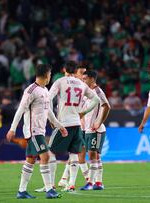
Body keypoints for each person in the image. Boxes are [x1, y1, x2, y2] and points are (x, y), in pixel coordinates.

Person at [35, 61, 99, 193]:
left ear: (64, 69)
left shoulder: (59, 82)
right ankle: (71, 185)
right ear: (76, 71)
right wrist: (84, 112)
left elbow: (48, 99)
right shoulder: (81, 83)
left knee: (50, 152)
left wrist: (51, 118)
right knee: (74, 153)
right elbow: (96, 99)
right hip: (77, 123)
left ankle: (50, 185)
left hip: (64, 123)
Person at [6, 64, 68, 199]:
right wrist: (12, 128)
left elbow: (49, 112)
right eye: (50, 74)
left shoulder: (45, 90)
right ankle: (49, 190)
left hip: (39, 130)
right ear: (46, 75)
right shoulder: (31, 90)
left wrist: (59, 126)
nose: (50, 76)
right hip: (33, 131)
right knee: (46, 157)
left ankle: (22, 191)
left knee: (30, 160)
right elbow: (20, 110)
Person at [81, 70, 111, 191]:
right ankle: (99, 182)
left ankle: (91, 183)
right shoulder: (86, 93)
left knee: (92, 154)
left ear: (92, 79)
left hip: (96, 129)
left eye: (85, 79)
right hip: (88, 129)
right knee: (95, 156)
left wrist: (99, 122)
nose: (83, 81)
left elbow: (107, 106)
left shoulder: (98, 91)